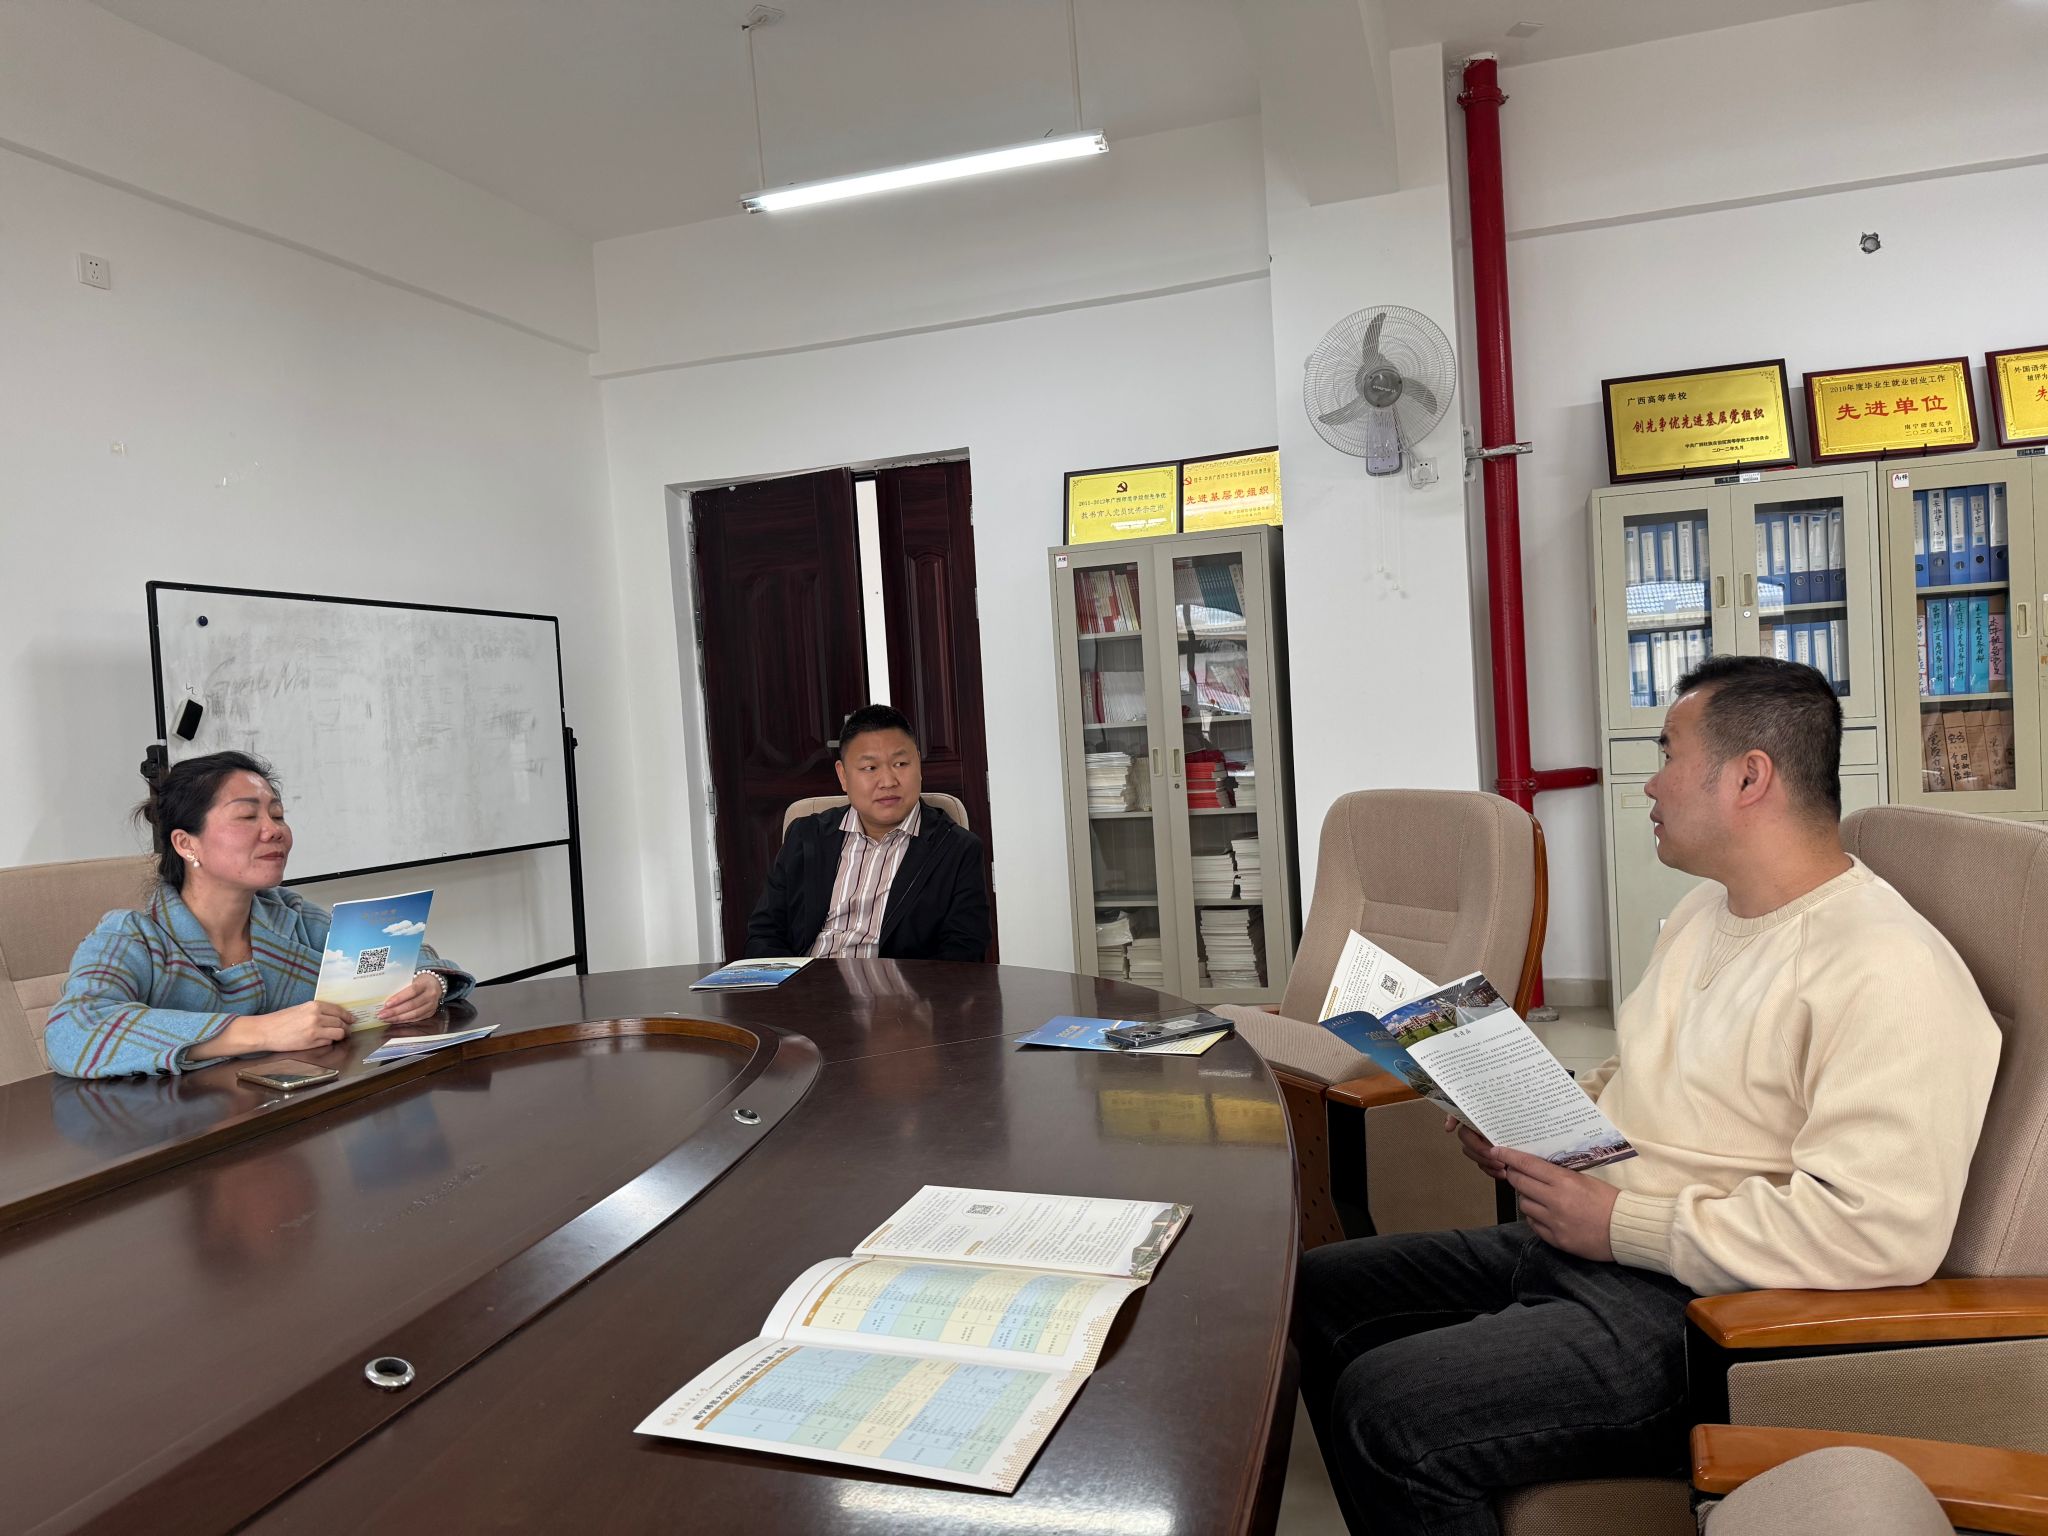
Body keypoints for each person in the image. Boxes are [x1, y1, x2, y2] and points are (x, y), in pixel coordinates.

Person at [1295, 656, 2001, 1536]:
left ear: (1748, 777)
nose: (1649, 783)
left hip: (1699, 1306)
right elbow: (1643, 1072)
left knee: (1388, 1409)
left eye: (1667, 752)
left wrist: (1621, 1226)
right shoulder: (1707, 910)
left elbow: (1878, 1232)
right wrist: (1525, 1118)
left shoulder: (1887, 968)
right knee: (1319, 1290)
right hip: (1593, 1237)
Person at [46, 751, 473, 1079]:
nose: (274, 830)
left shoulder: (289, 914)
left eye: (278, 814)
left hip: (296, 1117)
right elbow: (72, 1031)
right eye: (247, 816)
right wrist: (261, 1031)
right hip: (188, 1137)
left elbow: (401, 955)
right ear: (186, 843)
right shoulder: (134, 937)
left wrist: (429, 983)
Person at [744, 705, 990, 962]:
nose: (888, 781)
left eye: (901, 764)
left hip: (898, 986)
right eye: (870, 768)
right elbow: (764, 933)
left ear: (918, 765)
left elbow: (964, 953)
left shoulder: (957, 849)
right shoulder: (806, 835)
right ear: (843, 775)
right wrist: (791, 984)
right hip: (808, 981)